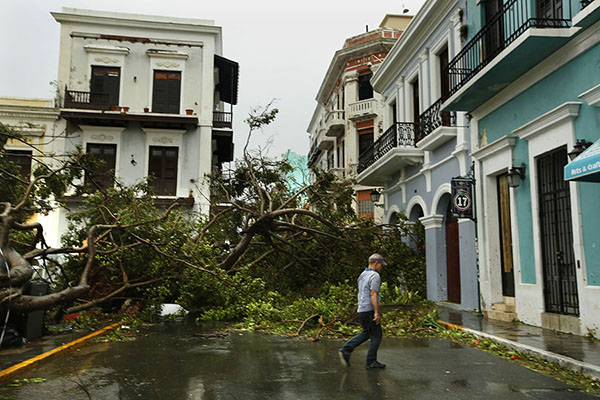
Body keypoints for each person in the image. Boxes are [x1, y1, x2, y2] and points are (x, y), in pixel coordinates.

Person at [339, 253, 387, 369]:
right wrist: (376, 312)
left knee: (367, 333)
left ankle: (346, 349)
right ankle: (371, 362)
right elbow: (373, 293)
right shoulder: (374, 276)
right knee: (376, 336)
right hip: (369, 309)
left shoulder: (362, 275)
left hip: (361, 309)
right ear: (376, 263)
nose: (381, 267)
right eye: (381, 264)